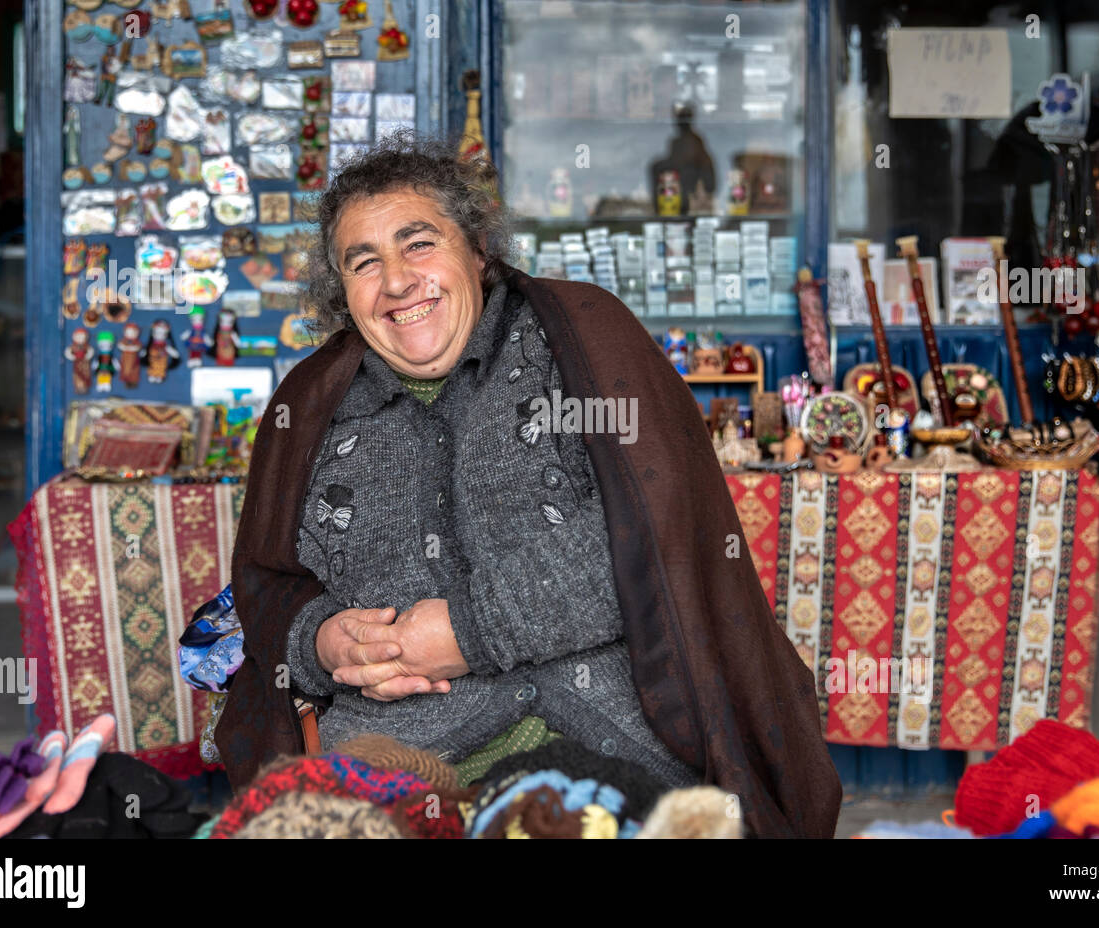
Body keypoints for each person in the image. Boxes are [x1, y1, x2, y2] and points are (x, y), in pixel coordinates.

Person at [217, 134, 841, 837]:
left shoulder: (582, 344)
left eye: (418, 243)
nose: (395, 280)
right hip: (394, 751)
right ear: (342, 292)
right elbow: (271, 587)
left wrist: (469, 631)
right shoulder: (312, 405)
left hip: (615, 735)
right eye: (364, 262)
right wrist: (323, 641)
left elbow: (654, 540)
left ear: (478, 251)